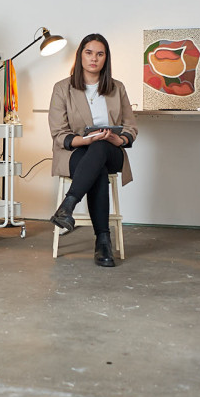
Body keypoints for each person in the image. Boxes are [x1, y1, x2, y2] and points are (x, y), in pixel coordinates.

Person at [48, 33, 138, 267]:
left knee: (100, 148)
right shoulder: (62, 88)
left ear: (106, 58)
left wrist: (118, 139)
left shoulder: (117, 88)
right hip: (76, 152)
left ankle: (67, 206)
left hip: (111, 152)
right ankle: (103, 242)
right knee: (96, 167)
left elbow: (131, 127)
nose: (94, 59)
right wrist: (86, 140)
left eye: (100, 54)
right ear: (80, 56)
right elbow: (59, 133)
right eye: (89, 53)